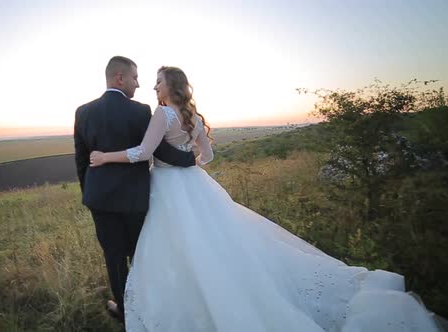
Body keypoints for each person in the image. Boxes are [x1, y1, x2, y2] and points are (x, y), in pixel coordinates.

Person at [88, 66, 441, 331]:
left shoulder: (162, 114)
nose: (153, 86)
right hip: (196, 184)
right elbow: (207, 157)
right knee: (218, 243)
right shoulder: (193, 116)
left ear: (171, 86)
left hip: (168, 188)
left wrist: (105, 157)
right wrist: (189, 162)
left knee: (177, 246)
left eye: (158, 81)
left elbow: (142, 153)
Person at [73, 56, 196, 323]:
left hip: (100, 200)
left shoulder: (83, 112)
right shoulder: (140, 111)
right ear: (120, 78)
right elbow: (159, 150)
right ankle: (150, 305)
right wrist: (190, 159)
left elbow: (82, 160)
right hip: (135, 199)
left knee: (114, 257)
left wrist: (90, 193)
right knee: (142, 253)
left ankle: (125, 312)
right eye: (135, 78)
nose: (139, 84)